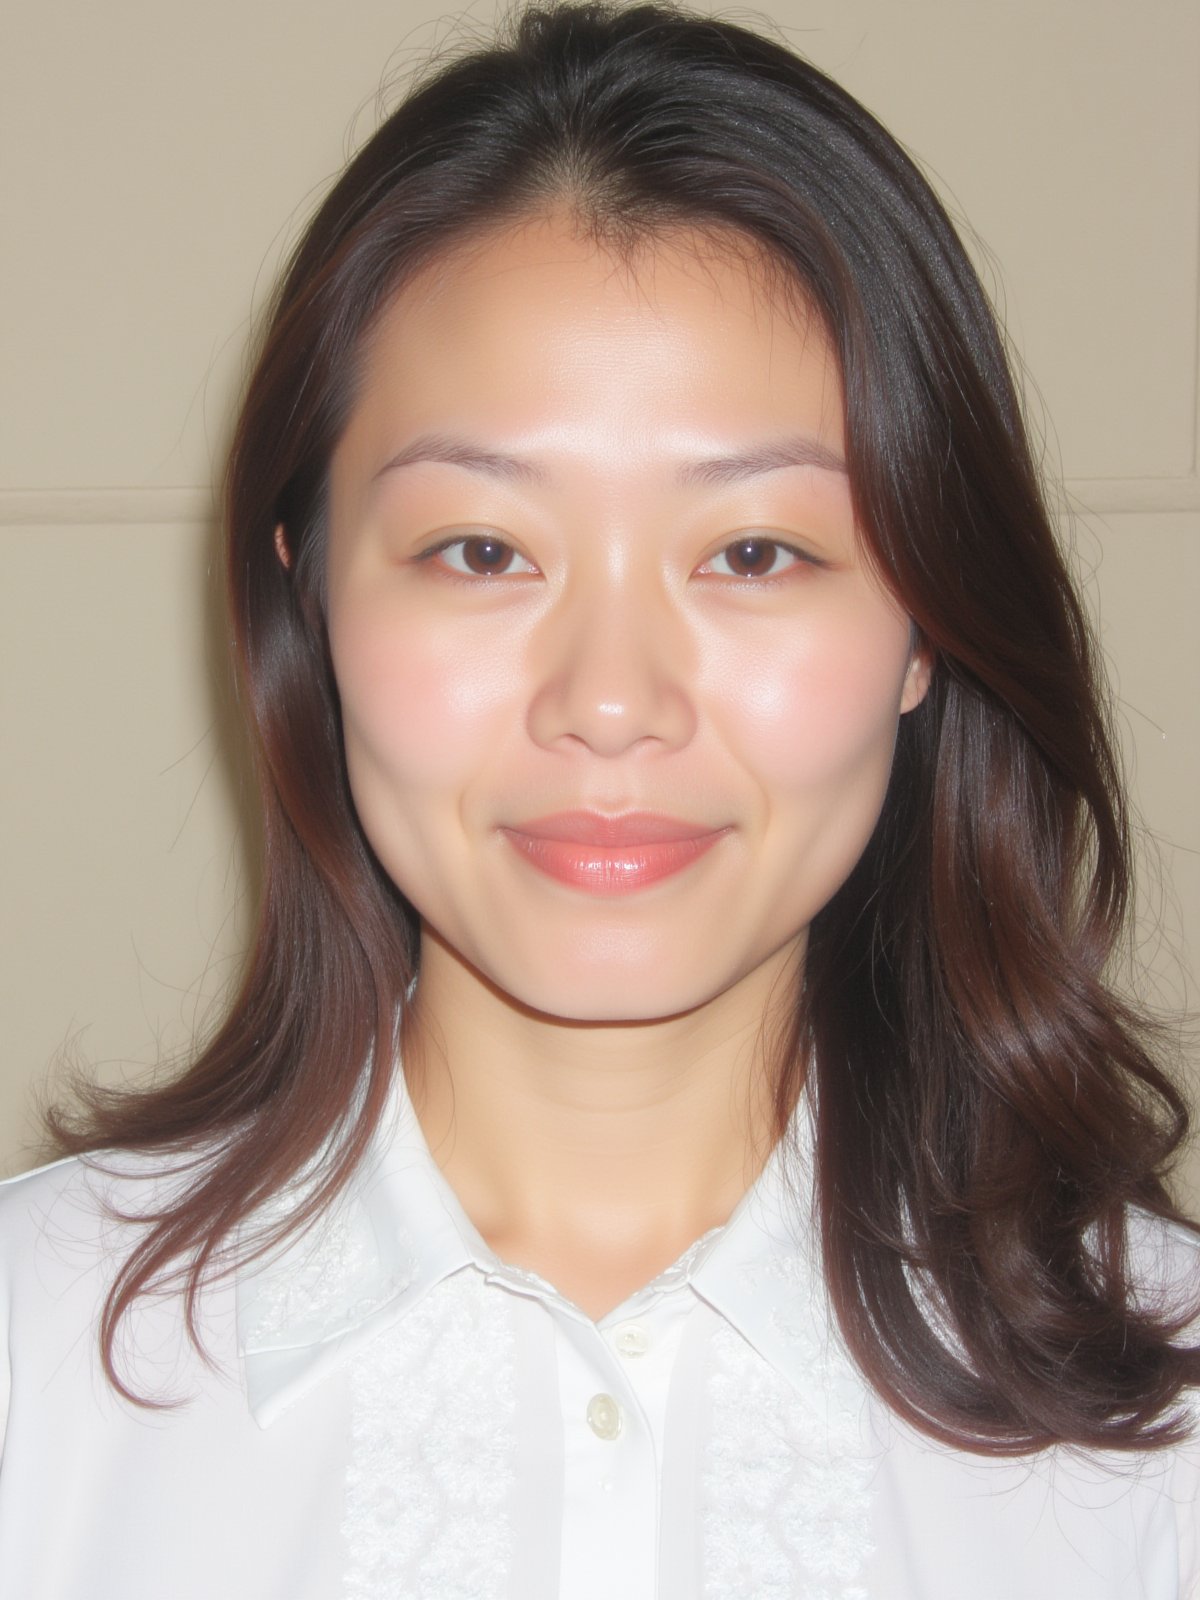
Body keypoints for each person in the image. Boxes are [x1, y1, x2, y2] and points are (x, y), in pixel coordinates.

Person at [1, 4, 1197, 1595]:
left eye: (755, 553)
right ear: (314, 613)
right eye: (483, 551)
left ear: (926, 628)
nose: (612, 701)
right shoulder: (35, 1373)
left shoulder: (1164, 1437)